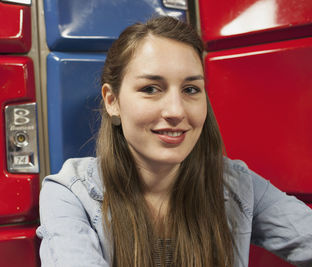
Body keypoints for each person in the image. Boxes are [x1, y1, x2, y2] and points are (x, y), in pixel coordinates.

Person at [36, 16, 312, 267]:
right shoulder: (70, 194)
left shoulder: (236, 183)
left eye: (191, 89)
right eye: (151, 89)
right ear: (112, 101)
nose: (176, 111)